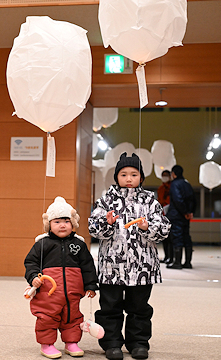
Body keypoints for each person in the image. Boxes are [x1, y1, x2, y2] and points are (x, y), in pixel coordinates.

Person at [88, 153, 171, 360]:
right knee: (110, 306)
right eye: (123, 174)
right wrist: (106, 224)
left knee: (140, 307)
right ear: (116, 176)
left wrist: (147, 226)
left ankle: (138, 343)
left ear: (141, 177)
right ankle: (112, 343)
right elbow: (92, 228)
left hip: (143, 266)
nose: (128, 179)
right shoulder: (106, 200)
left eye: (134, 174)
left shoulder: (150, 200)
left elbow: (164, 230)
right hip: (112, 267)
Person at [24, 196, 98, 359]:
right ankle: (47, 344)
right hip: (48, 292)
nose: (62, 225)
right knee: (47, 317)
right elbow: (31, 262)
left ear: (73, 223)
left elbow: (87, 265)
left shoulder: (79, 244)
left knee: (72, 317)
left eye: (66, 221)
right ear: (49, 224)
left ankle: (71, 342)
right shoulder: (42, 244)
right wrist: (33, 277)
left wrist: (90, 285)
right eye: (57, 221)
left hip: (72, 291)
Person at [166, 165, 196, 270]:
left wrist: (184, 212)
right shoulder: (187, 184)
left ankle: (177, 262)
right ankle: (188, 262)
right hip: (186, 216)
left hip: (176, 215)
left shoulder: (175, 184)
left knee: (177, 237)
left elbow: (178, 199)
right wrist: (189, 212)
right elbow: (193, 199)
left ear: (174, 174)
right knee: (186, 237)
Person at [157, 170, 173, 264]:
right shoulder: (161, 188)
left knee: (171, 238)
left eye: (166, 175)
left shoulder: (172, 187)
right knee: (164, 238)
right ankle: (167, 256)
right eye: (163, 176)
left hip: (170, 214)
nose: (165, 177)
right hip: (162, 215)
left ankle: (171, 257)